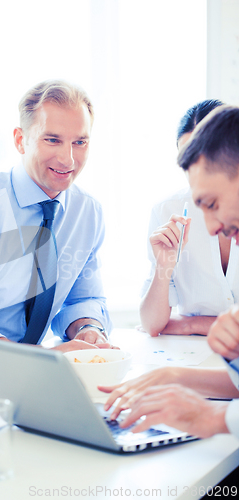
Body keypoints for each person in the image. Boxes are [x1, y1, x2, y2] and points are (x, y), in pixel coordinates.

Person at [101, 104, 239, 441]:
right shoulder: (169, 210)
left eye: (212, 203)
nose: (209, 227)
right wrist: (173, 377)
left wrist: (214, 417)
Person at [0, 80, 112, 352]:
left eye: (80, 142)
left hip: (39, 372)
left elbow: (83, 298)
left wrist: (88, 328)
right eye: (52, 140)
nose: (68, 160)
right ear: (20, 140)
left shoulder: (88, 213)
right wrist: (34, 360)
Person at [139, 99, 239, 337]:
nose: (196, 170)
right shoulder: (167, 210)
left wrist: (190, 324)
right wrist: (164, 266)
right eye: (187, 160)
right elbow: (152, 324)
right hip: (193, 352)